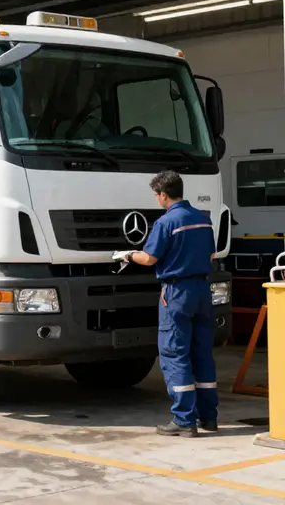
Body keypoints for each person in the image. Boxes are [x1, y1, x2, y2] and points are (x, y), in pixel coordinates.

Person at [122, 170, 218, 437]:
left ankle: (184, 420)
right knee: (201, 353)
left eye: (157, 195)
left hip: (176, 292)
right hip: (202, 289)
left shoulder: (166, 222)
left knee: (175, 354)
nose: (157, 199)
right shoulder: (203, 219)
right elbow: (211, 254)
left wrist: (128, 255)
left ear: (163, 194)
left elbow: (150, 259)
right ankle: (208, 417)